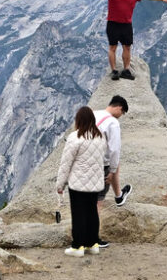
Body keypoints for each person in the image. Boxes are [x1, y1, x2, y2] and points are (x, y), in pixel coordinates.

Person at [74, 0, 167, 80]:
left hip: (126, 25)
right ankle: (114, 71)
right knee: (112, 47)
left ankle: (126, 70)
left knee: (127, 47)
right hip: (113, 24)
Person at [55, 106, 107, 257]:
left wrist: (60, 184)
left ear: (78, 120)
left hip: (78, 183)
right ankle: (93, 244)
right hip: (95, 183)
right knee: (92, 213)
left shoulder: (75, 137)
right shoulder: (101, 137)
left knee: (78, 215)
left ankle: (78, 247)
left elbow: (66, 163)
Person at [94, 95, 133, 247]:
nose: (120, 116)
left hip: (84, 161)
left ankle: (119, 196)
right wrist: (112, 170)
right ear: (119, 108)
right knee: (97, 202)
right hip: (100, 164)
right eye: (122, 113)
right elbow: (114, 149)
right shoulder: (113, 122)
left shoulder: (93, 114)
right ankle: (93, 238)